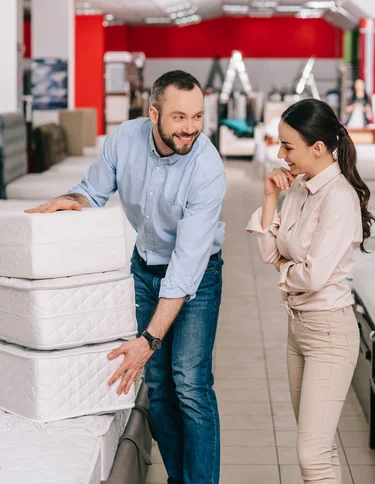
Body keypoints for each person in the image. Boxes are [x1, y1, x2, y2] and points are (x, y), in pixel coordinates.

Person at [26, 70, 226, 484]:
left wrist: (149, 341)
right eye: (178, 117)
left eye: (197, 116)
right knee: (157, 383)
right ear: (153, 113)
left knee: (189, 384)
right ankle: (178, 478)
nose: (190, 128)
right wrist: (70, 201)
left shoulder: (207, 168)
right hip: (144, 267)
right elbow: (93, 190)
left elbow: (186, 269)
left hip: (197, 276)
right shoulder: (123, 140)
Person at [246, 99, 374, 484]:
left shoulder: (340, 198)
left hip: (329, 334)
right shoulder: (299, 187)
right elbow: (270, 251)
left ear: (317, 147)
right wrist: (270, 195)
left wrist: (286, 269)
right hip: (297, 330)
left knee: (311, 455)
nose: (280, 154)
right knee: (318, 447)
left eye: (288, 147)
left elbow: (315, 276)